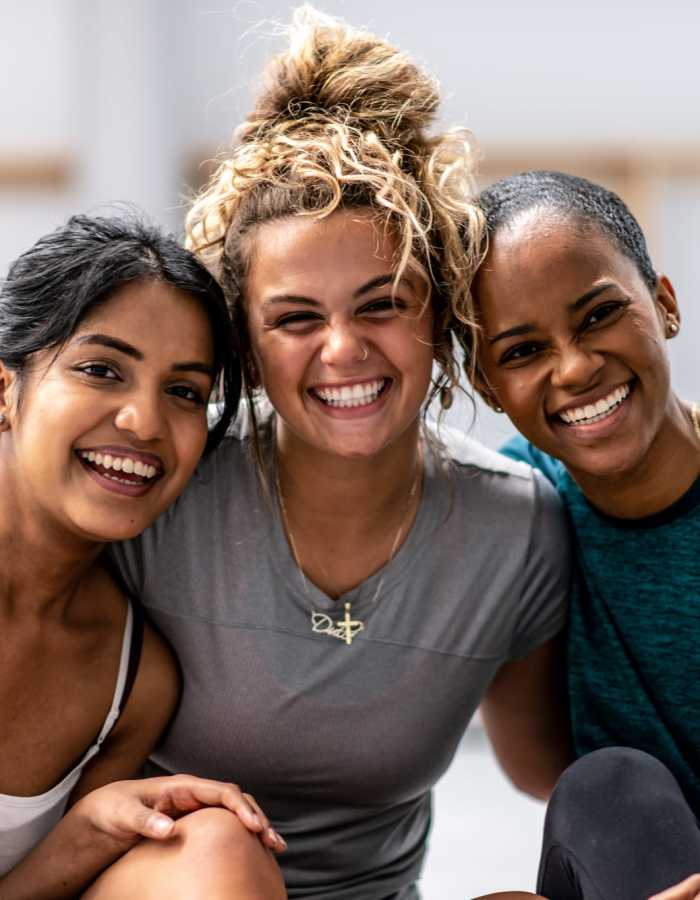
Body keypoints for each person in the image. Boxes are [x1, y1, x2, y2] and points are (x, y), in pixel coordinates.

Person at [108, 9, 572, 900]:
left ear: (440, 312)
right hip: (172, 885)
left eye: (382, 304)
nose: (342, 349)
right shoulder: (166, 495)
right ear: (243, 338)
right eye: (295, 318)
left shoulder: (517, 529)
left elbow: (549, 767)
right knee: (218, 853)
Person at [0, 213, 286, 900]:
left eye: (184, 391)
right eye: (102, 370)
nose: (146, 423)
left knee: (215, 845)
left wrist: (86, 834)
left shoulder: (136, 681)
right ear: (5, 391)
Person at [470, 170, 700, 899]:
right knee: (610, 786)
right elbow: (543, 764)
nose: (574, 367)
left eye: (599, 315)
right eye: (521, 351)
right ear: (486, 387)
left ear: (663, 303)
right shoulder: (515, 511)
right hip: (643, 861)